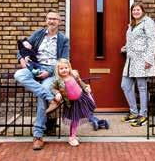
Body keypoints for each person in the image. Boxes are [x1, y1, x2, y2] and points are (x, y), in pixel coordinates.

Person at [14, 9, 69, 150]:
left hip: (51, 72)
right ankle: (51, 98)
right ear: (46, 20)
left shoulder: (63, 40)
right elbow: (21, 47)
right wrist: (22, 60)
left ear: (59, 22)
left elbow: (64, 61)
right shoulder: (38, 34)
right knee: (19, 75)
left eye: (55, 19)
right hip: (34, 67)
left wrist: (49, 71)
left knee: (42, 92)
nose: (51, 21)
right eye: (49, 18)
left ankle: (38, 135)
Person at [120, 3, 155, 127]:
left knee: (142, 87)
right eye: (133, 10)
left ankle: (143, 115)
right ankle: (134, 112)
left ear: (142, 11)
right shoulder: (132, 24)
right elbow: (133, 41)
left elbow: (152, 41)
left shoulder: (148, 22)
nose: (135, 12)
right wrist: (125, 48)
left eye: (138, 9)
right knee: (125, 85)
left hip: (142, 59)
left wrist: (149, 60)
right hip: (131, 60)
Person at [51, 58, 96, 147]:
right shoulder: (58, 81)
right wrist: (57, 93)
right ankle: (72, 137)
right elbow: (53, 88)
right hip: (71, 103)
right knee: (74, 120)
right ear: (58, 70)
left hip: (81, 98)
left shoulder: (73, 75)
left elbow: (80, 82)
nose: (64, 70)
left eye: (66, 68)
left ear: (69, 68)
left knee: (79, 117)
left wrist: (85, 87)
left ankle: (73, 135)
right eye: (61, 68)